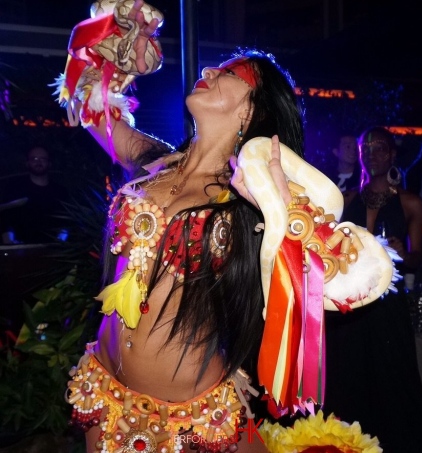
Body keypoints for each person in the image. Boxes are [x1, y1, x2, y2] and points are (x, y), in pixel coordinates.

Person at [55, 2, 306, 452]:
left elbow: (319, 271)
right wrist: (111, 35)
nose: (210, 67)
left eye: (233, 73)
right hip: (107, 391)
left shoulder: (248, 205)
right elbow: (90, 105)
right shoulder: (152, 160)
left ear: (252, 113)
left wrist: (281, 211)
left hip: (188, 421)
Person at [324, 126, 422, 452]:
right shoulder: (347, 201)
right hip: (353, 303)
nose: (373, 153)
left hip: (389, 303)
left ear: (392, 154)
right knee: (349, 371)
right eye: (366, 148)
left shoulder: (410, 202)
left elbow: (417, 257)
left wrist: (403, 251)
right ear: (360, 155)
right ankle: (349, 442)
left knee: (392, 372)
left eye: (380, 148)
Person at [0, 145, 69, 244]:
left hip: (53, 249)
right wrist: (9, 240)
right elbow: (5, 216)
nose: (38, 162)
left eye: (43, 159)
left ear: (49, 163)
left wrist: (61, 240)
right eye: (34, 159)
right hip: (21, 247)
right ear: (27, 163)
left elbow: (67, 221)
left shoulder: (60, 191)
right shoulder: (15, 188)